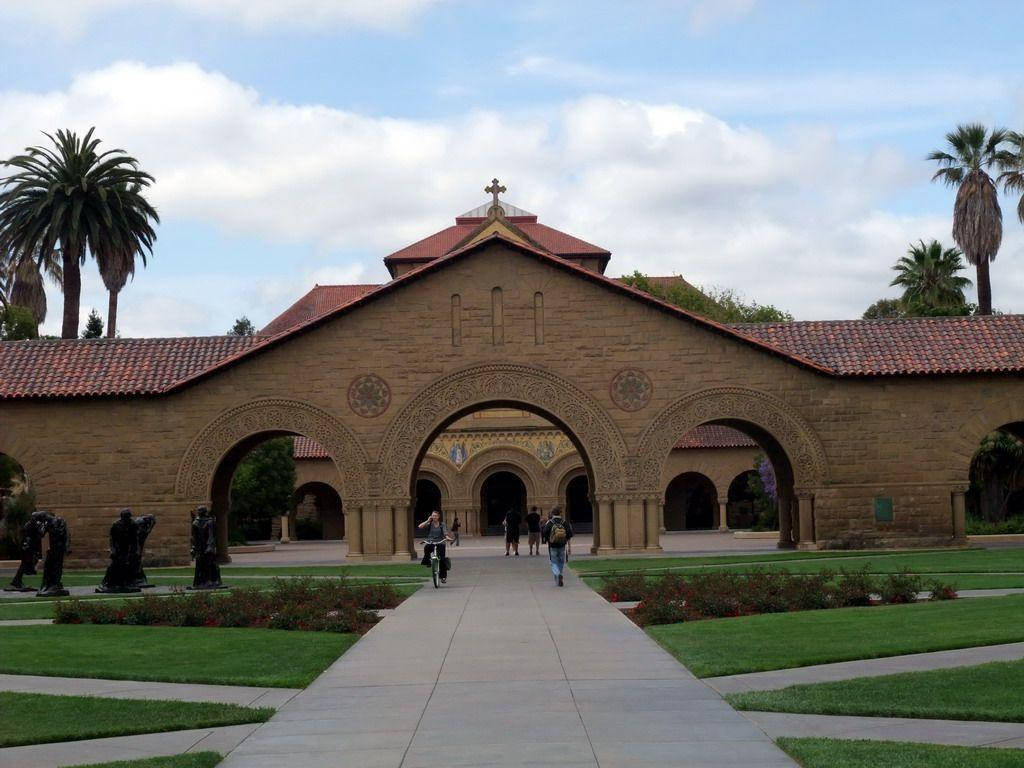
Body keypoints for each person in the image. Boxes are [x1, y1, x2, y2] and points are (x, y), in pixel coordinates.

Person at [418, 510, 454, 582]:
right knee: (427, 548)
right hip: (431, 541)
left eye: (435, 516)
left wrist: (447, 537)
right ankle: (427, 562)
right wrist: (427, 520)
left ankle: (443, 577)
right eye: (433, 515)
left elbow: (445, 532)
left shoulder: (441, 524)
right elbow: (420, 526)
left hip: (440, 542)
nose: (434, 517)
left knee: (442, 559)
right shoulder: (429, 523)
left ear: (438, 517)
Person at [542, 507, 573, 587]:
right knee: (561, 561)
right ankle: (560, 573)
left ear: (552, 513)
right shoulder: (564, 522)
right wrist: (565, 539)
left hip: (552, 545)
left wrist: (547, 539)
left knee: (553, 561)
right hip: (562, 545)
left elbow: (545, 532)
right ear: (560, 513)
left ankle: (557, 574)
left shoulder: (550, 522)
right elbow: (570, 533)